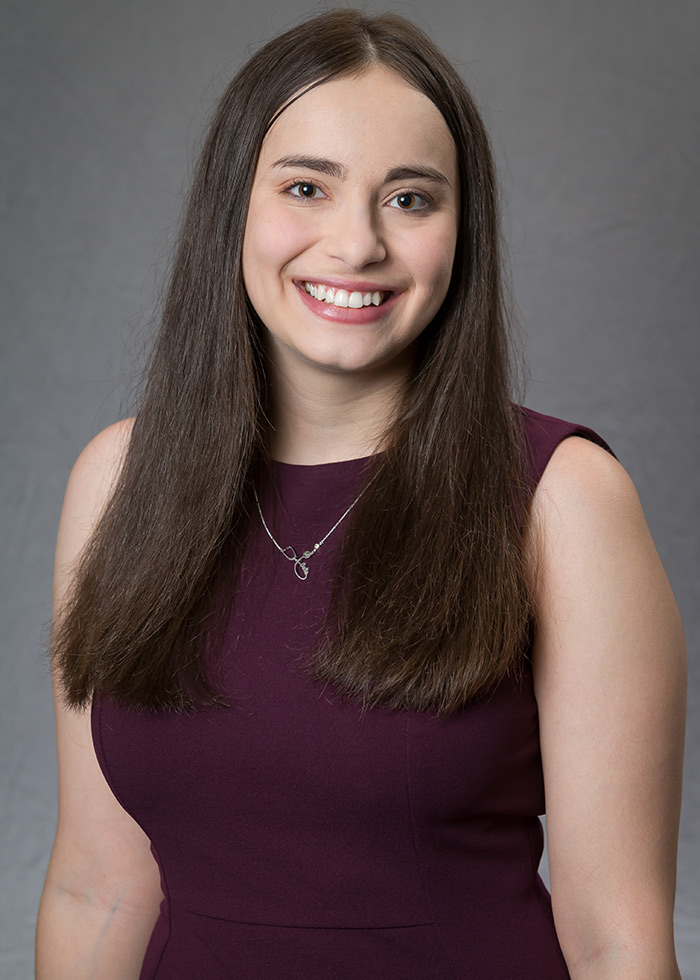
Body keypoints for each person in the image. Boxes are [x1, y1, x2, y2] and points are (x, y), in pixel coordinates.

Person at [36, 9, 686, 979]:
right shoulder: (119, 483)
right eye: (307, 187)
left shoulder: (563, 498)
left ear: (461, 231)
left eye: (410, 199)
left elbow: (614, 938)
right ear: (234, 208)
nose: (357, 243)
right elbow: (98, 886)